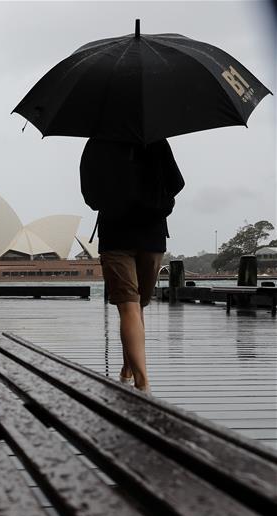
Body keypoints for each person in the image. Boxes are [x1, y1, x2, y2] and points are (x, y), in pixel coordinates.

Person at [80, 138, 185, 394]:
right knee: (135, 307)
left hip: (116, 234)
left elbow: (90, 196)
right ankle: (142, 382)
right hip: (151, 235)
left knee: (131, 307)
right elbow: (176, 183)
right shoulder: (156, 139)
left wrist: (115, 197)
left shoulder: (98, 142)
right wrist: (157, 203)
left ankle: (129, 369)